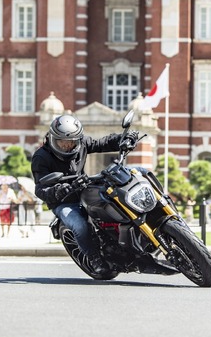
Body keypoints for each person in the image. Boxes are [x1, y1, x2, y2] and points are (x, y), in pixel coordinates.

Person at [32, 114, 138, 274]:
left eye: (72, 142)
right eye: (62, 142)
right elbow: (40, 189)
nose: (67, 145)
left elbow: (101, 143)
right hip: (64, 202)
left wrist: (124, 138)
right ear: (53, 138)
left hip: (86, 191)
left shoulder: (80, 143)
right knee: (80, 225)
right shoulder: (41, 157)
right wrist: (61, 189)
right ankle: (94, 257)